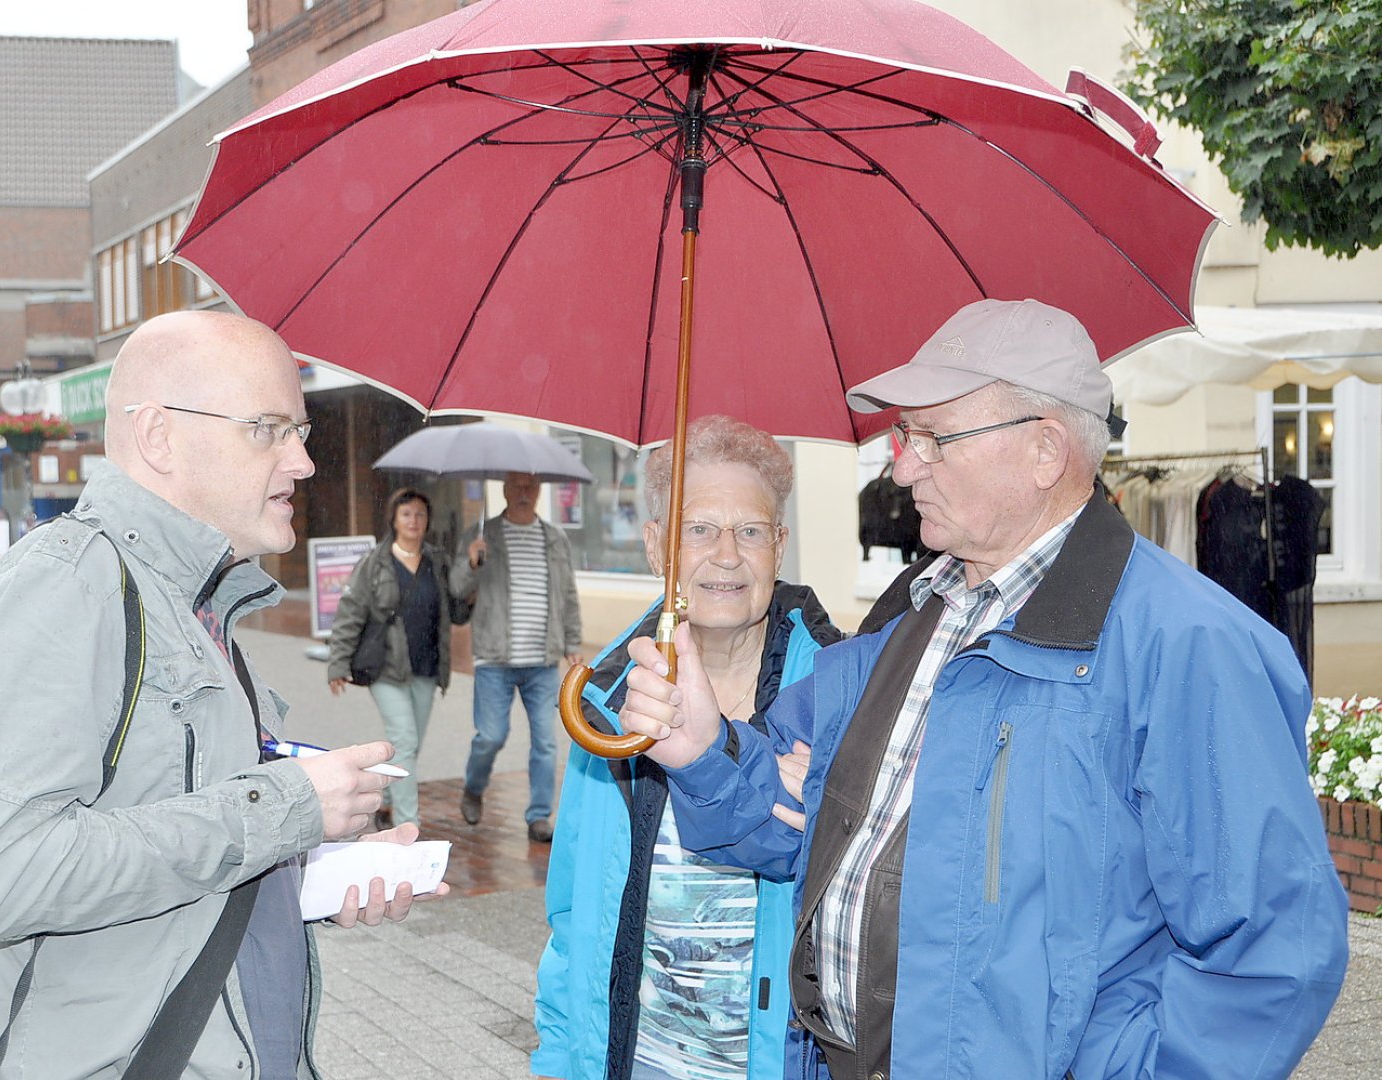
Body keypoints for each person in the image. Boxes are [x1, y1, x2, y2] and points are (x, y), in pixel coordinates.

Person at [617, 299, 1349, 1078]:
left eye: (932, 438)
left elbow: (1276, 952)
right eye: (904, 437)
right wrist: (703, 752)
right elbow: (785, 827)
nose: (900, 466)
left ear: (1043, 451)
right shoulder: (912, 612)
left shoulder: (1189, 645)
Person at [0, 310, 446, 1080]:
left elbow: (170, 845)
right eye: (269, 428)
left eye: (300, 431)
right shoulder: (66, 587)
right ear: (158, 438)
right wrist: (281, 809)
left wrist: (312, 872)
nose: (303, 462)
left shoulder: (197, 602)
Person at [533, 416, 844, 1080]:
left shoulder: (845, 696)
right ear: (655, 546)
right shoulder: (607, 705)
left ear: (779, 546)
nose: (725, 555)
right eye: (697, 530)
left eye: (750, 532)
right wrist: (560, 1061)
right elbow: (571, 919)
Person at [451, 470, 584, 842]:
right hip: (494, 657)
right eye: (518, 485)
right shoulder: (483, 535)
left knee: (546, 741)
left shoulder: (555, 537)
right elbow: (457, 588)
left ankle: (539, 816)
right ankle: (473, 787)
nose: (525, 492)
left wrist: (573, 640)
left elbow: (567, 594)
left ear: (540, 490)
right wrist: (471, 561)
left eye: (532, 485)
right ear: (505, 489)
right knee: (491, 736)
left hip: (542, 659)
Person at [327, 487, 460, 828]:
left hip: (427, 668)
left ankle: (384, 797)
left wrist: (473, 565)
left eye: (420, 514)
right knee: (405, 739)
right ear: (394, 519)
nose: (414, 521)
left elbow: (458, 611)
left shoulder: (438, 561)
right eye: (406, 514)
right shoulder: (375, 562)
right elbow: (350, 612)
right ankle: (407, 825)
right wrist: (338, 663)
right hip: (386, 667)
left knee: (408, 747)